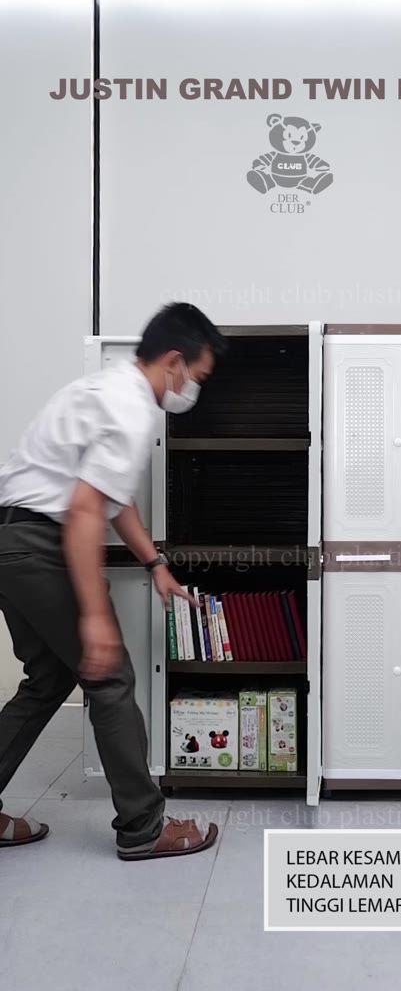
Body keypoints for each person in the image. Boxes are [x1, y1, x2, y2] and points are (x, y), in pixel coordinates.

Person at [0, 302, 227, 860]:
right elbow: (84, 511)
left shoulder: (101, 389)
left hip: (10, 542)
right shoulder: (130, 410)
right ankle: (143, 829)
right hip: (40, 546)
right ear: (173, 361)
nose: (192, 390)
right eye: (196, 377)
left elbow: (113, 498)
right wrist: (96, 618)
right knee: (111, 679)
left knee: (48, 678)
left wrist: (155, 565)